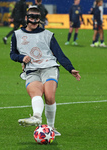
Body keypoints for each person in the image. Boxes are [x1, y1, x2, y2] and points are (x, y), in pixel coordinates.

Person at [10, 6, 81, 136]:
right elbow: (12, 54)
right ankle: (37, 117)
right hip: (31, 70)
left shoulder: (47, 35)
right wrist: (21, 58)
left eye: (37, 18)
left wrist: (70, 69)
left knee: (49, 96)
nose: (34, 20)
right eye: (31, 17)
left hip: (49, 67)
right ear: (26, 18)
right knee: (36, 93)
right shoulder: (17, 35)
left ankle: (51, 127)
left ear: (40, 19)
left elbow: (59, 54)